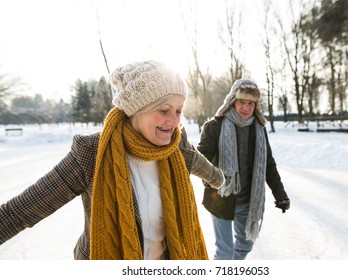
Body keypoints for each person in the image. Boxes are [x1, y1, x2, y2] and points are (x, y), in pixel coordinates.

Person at [0, 60, 225, 260]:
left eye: (178, 110)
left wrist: (220, 180)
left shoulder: (177, 146)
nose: (174, 121)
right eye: (164, 110)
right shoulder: (92, 153)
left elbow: (204, 167)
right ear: (135, 110)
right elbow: (21, 211)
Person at [197, 79, 290, 260]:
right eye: (242, 102)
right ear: (232, 101)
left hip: (248, 200)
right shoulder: (214, 126)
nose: (246, 108)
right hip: (221, 198)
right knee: (224, 252)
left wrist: (281, 194)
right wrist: (209, 180)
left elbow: (268, 164)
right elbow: (201, 159)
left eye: (250, 103)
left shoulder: (259, 129)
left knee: (245, 245)